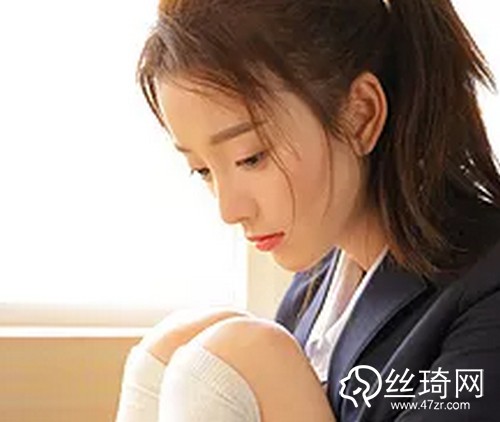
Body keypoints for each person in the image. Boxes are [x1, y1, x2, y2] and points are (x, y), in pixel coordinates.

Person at [115, 0, 500, 420]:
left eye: (251, 157)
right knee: (170, 349)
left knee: (239, 354)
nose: (229, 209)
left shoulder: (487, 290)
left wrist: (258, 367)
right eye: (203, 170)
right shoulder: (314, 288)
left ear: (361, 116)